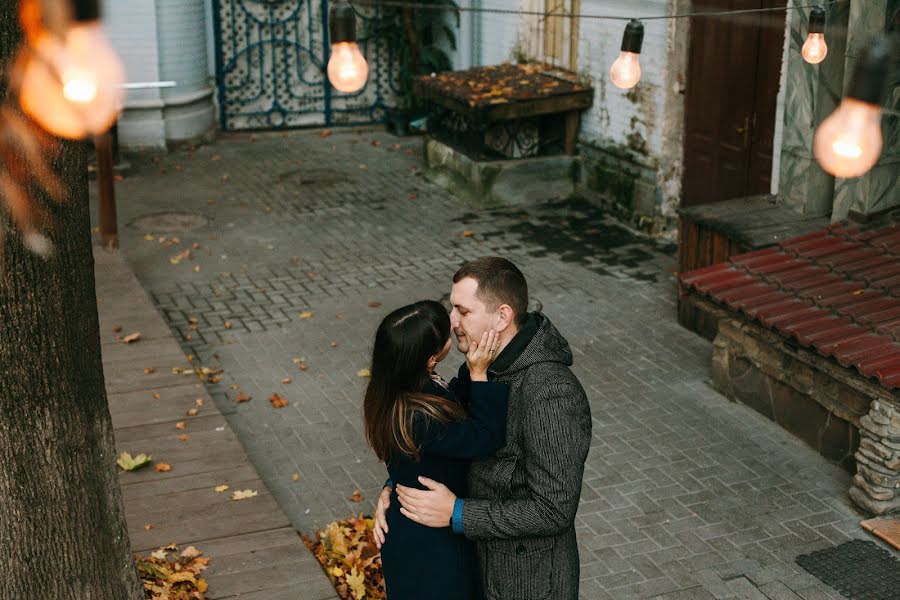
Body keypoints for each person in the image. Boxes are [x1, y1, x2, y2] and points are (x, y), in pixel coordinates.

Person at [374, 257, 592, 600]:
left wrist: (456, 512)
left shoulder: (551, 393)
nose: (451, 322)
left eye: (462, 311)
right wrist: (398, 486)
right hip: (472, 567)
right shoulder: (481, 363)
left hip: (524, 584)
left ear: (502, 316)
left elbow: (554, 510)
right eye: (452, 309)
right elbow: (442, 437)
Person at [363, 299, 509, 600]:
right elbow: (484, 438)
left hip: (415, 523)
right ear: (431, 358)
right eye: (447, 330)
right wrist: (480, 374)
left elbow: (450, 400)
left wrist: (392, 484)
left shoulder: (397, 389)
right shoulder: (419, 416)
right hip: (428, 543)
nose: (455, 324)